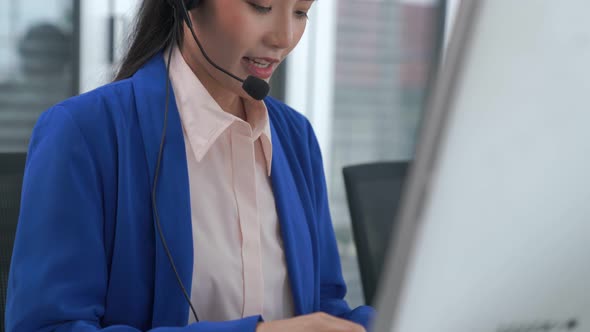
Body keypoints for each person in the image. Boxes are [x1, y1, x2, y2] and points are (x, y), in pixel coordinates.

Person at [5, 0, 375, 331]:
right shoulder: (83, 133)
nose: (283, 37)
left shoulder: (295, 137)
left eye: (300, 12)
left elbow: (324, 306)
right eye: (260, 6)